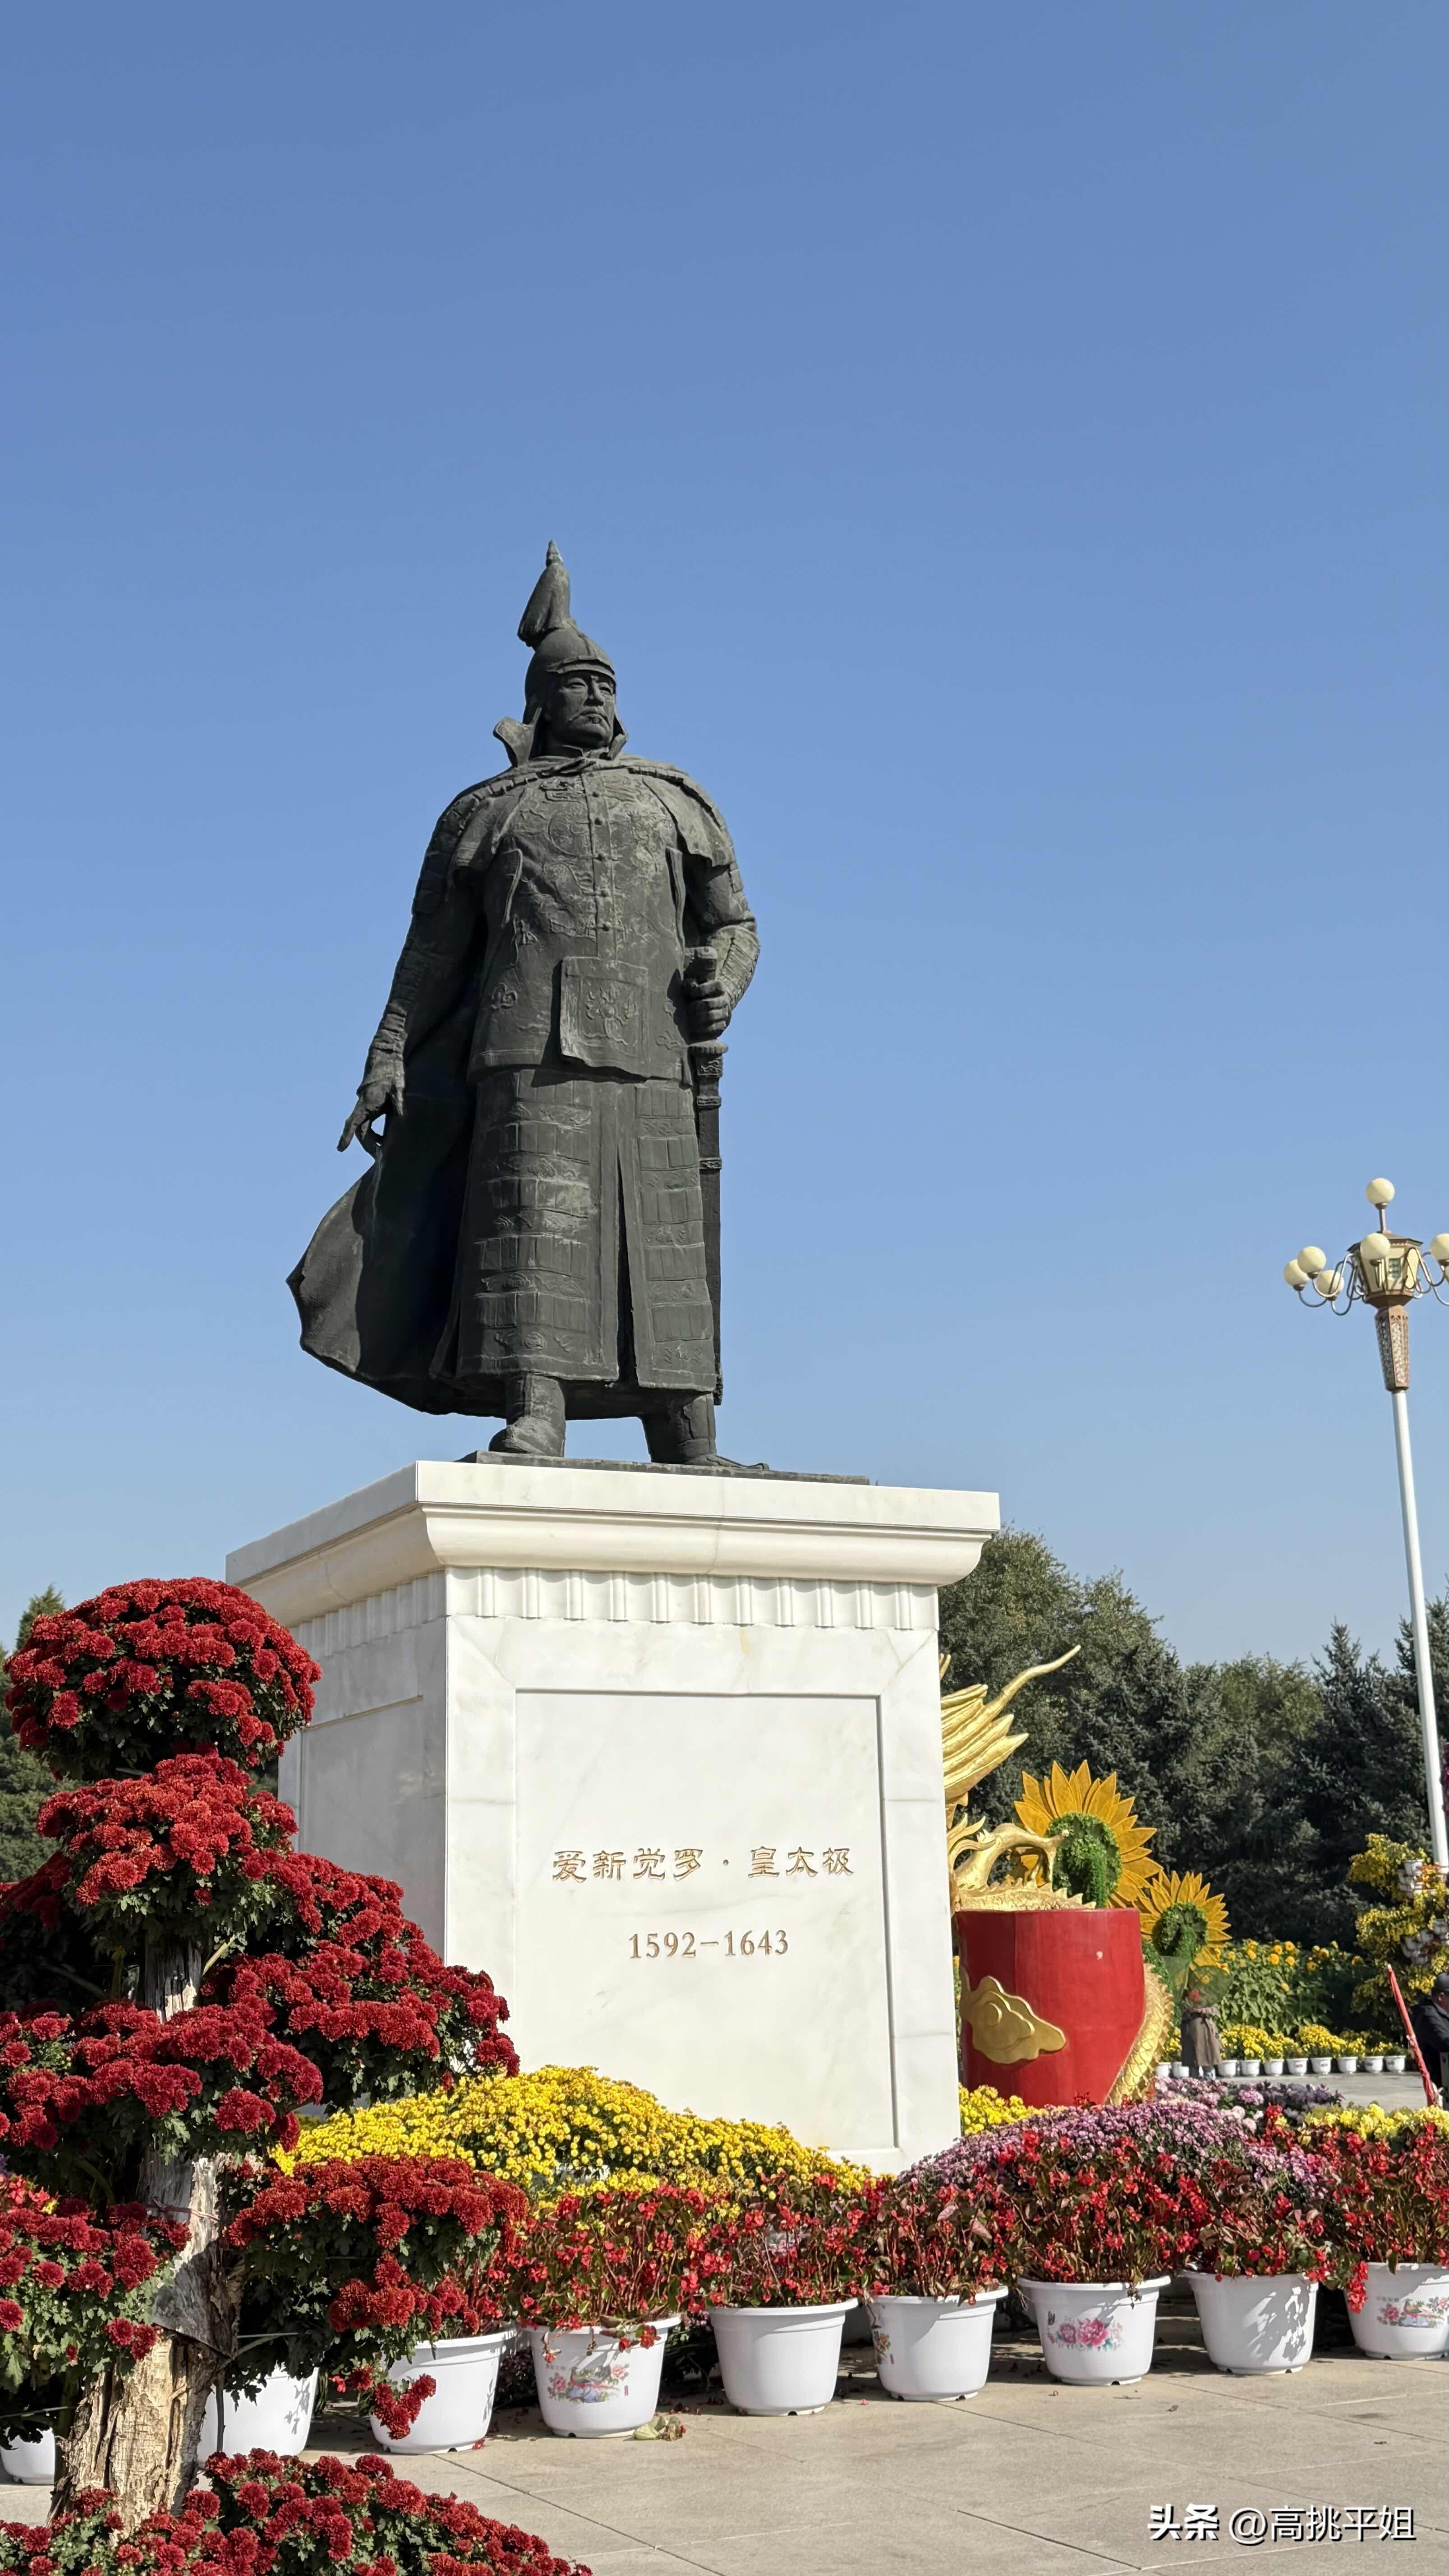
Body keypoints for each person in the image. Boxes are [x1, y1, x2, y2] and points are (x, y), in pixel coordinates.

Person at [290, 545, 759, 1463]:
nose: (594, 699)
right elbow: (431, 953)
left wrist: (723, 981)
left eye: (604, 685)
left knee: (664, 1239)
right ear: (539, 702)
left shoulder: (673, 800)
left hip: (655, 1053)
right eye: (575, 684)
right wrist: (387, 1054)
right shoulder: (486, 812)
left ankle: (685, 1428)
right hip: (525, 1053)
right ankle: (535, 1411)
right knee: (532, 1230)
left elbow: (734, 923)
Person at [1408, 1969, 1449, 2102]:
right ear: (1441, 1997)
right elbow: (1445, 2043)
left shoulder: (1441, 2012)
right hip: (1442, 2081)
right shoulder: (1428, 2015)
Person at [1179, 1981, 1224, 2079]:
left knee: (1207, 2062)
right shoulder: (1185, 1998)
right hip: (1190, 2033)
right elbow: (1181, 2013)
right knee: (1193, 2065)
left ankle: (1210, 2085)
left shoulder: (1207, 1996)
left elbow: (1214, 2010)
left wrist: (1202, 2010)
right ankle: (1194, 2085)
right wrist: (1189, 2011)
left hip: (1205, 2033)